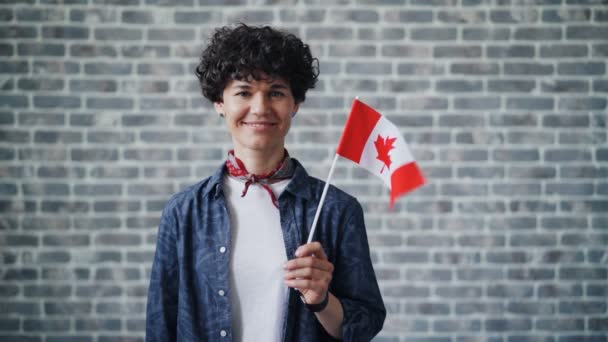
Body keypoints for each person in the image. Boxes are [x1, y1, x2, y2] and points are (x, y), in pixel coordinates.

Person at [145, 23, 386, 342]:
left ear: (295, 104)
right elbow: (161, 326)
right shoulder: (183, 212)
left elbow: (364, 324)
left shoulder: (337, 210)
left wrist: (322, 300)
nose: (260, 108)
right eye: (244, 92)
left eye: (276, 92)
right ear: (220, 102)